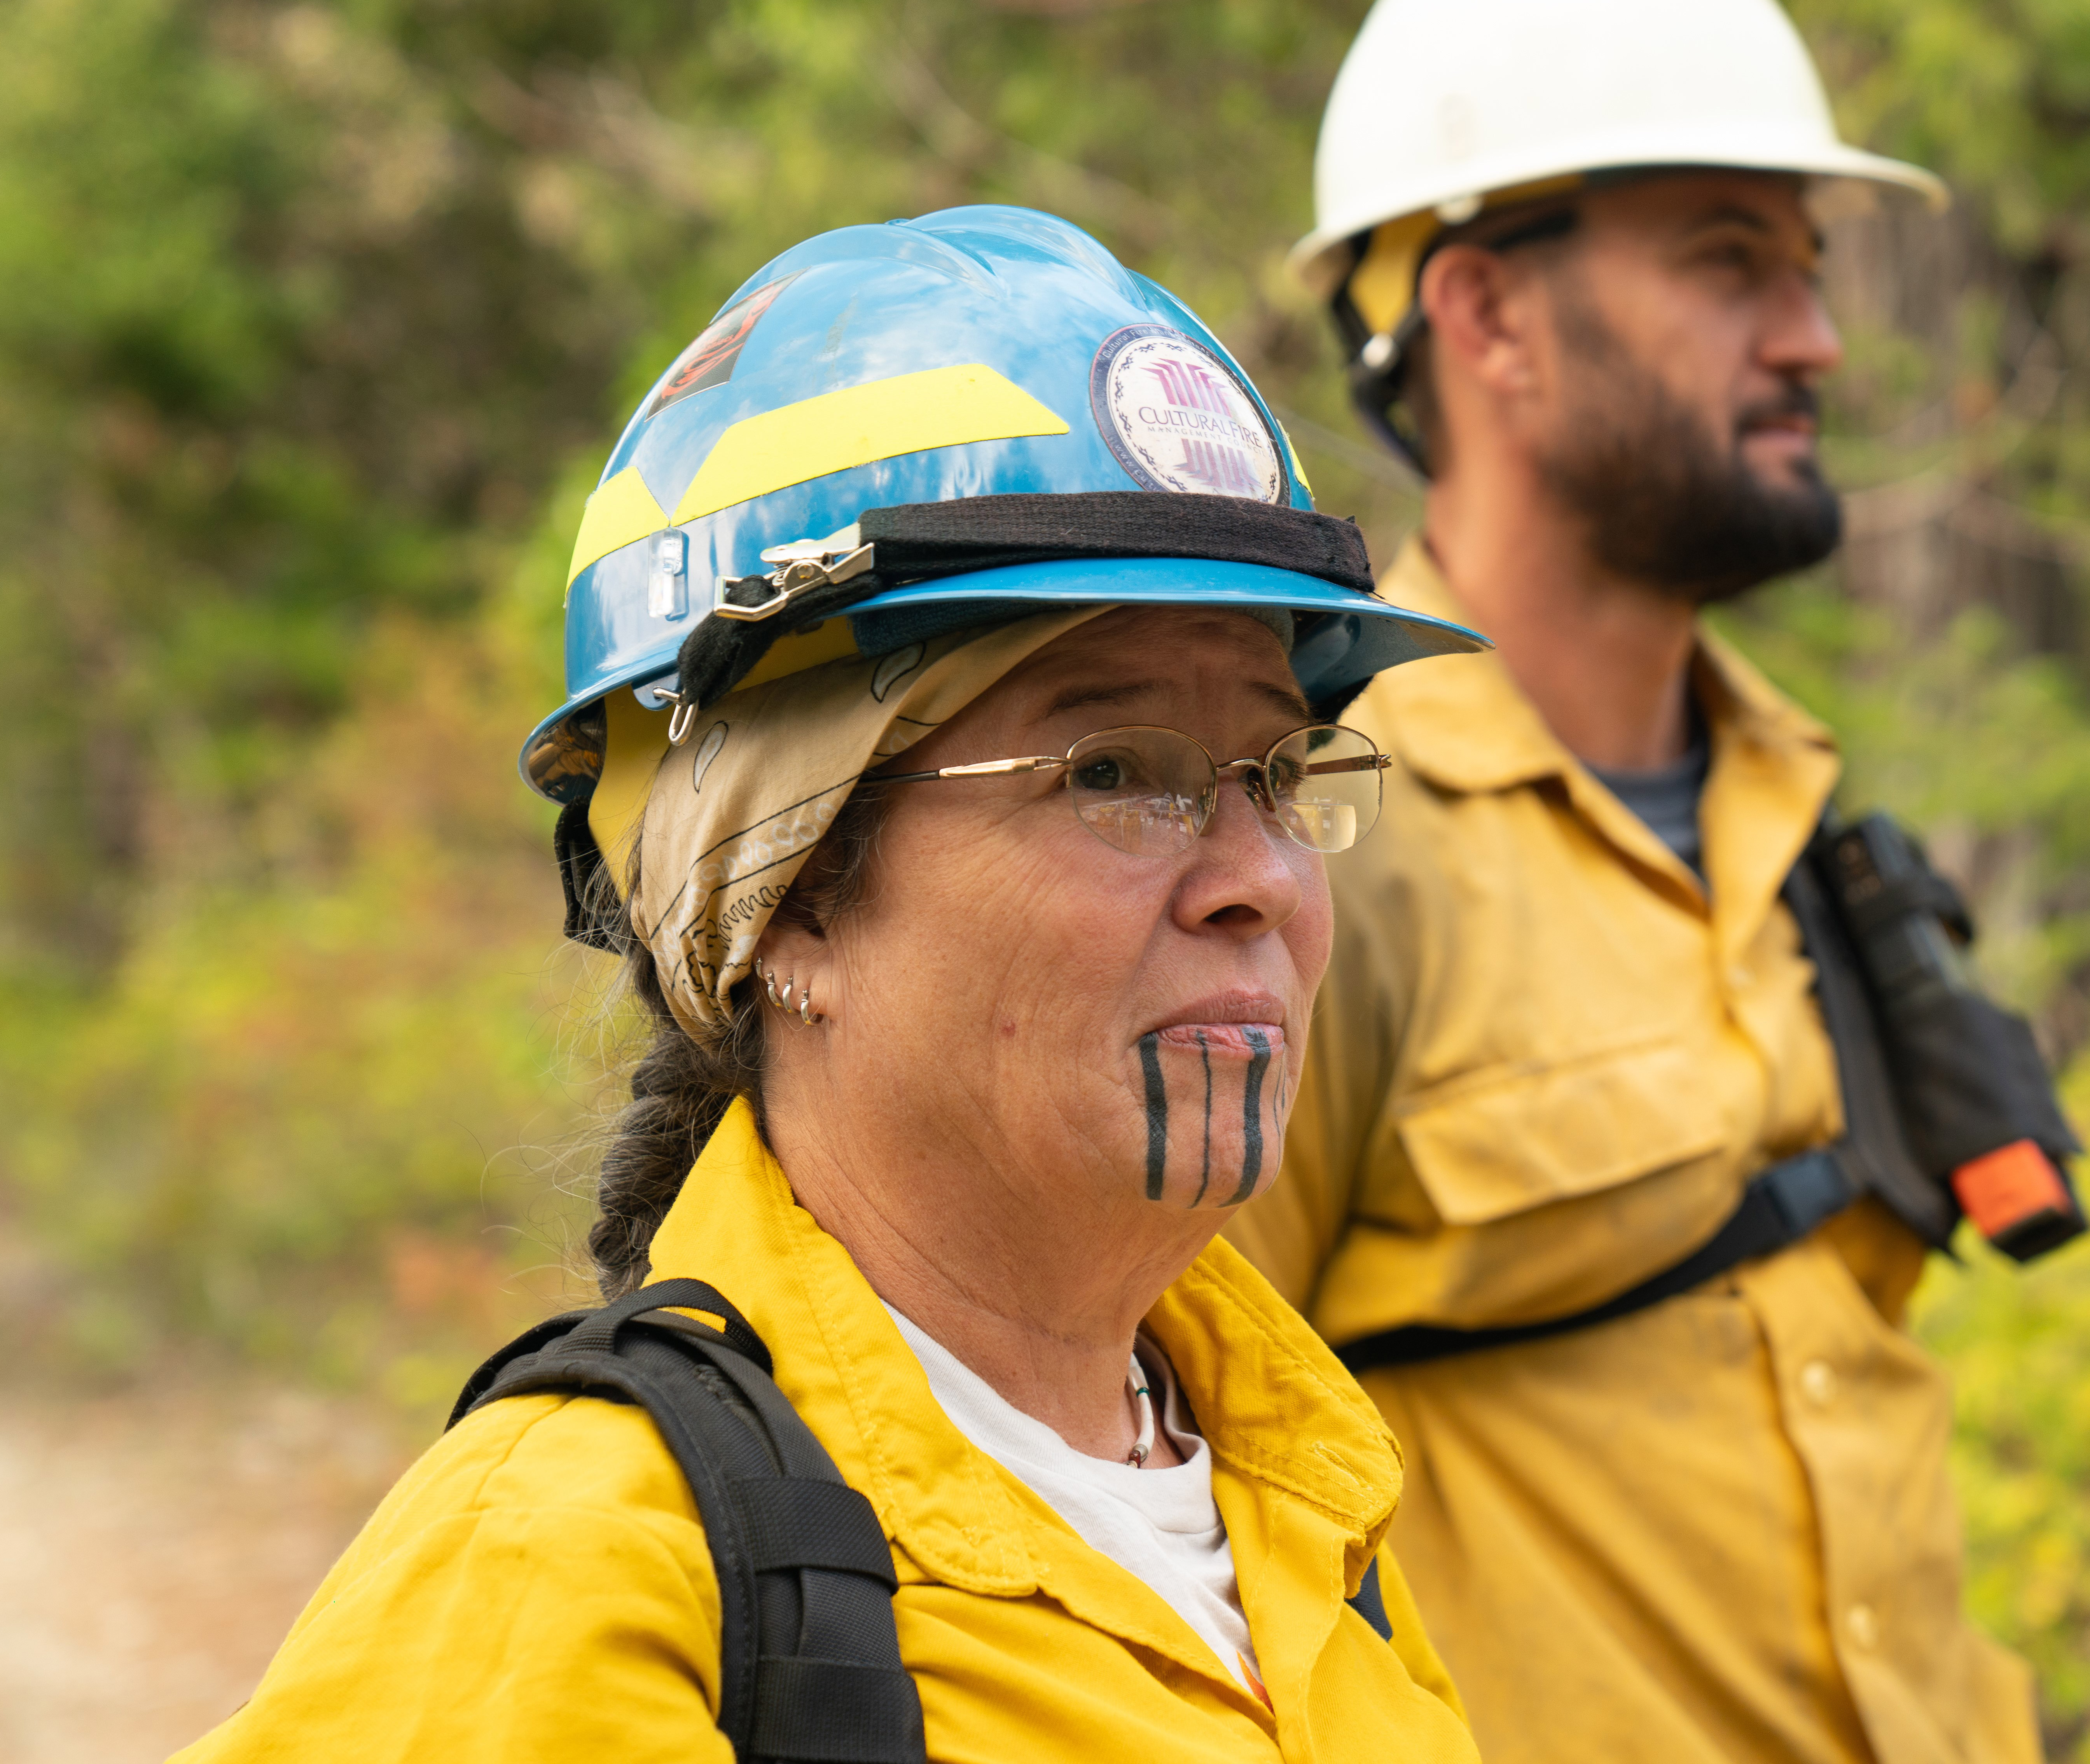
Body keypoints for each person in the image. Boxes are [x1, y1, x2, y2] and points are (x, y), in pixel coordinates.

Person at [174, 207, 1488, 1764]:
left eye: (1277, 771)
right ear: (789, 894)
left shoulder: (1302, 1508)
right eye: (1118, 771)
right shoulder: (569, 1571)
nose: (1257, 876)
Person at [1223, 2, 2050, 1761]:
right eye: (1731, 262)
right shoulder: (1322, 852)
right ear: (1491, 314)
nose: (1818, 338)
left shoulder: (1804, 819)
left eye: (1811, 268)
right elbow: (1150, 1488)